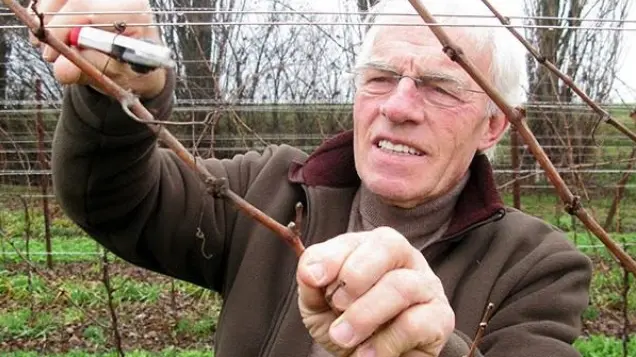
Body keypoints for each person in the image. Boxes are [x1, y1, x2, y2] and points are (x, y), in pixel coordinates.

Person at [33, 0, 592, 355]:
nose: (397, 106)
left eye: (440, 86)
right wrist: (125, 94)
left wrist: (435, 350)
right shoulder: (271, 188)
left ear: (493, 125)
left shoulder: (537, 266)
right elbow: (118, 200)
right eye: (379, 77)